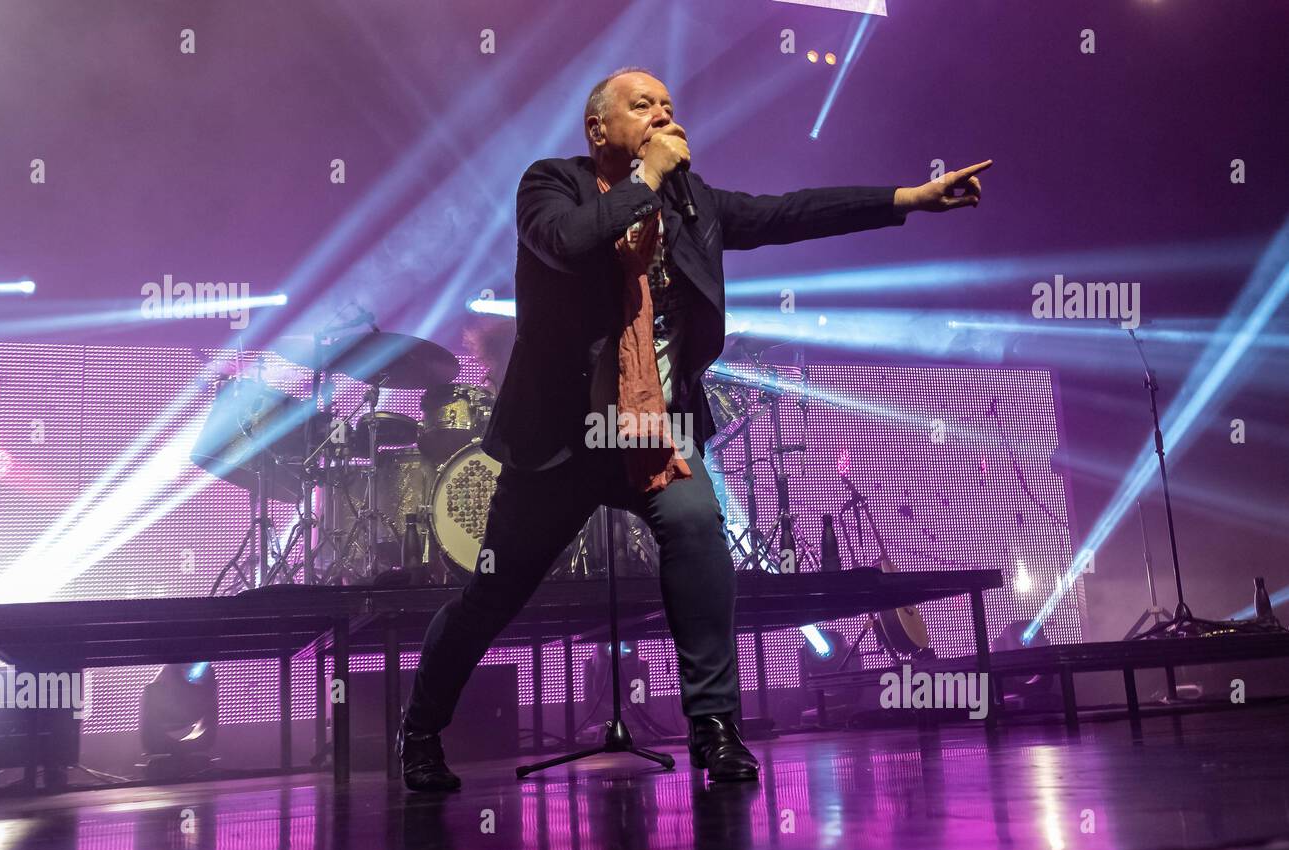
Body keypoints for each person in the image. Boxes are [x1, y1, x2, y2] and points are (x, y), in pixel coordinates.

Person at [397, 67, 991, 789]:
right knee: (493, 593)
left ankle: (714, 725)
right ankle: (421, 728)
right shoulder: (551, 184)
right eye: (640, 105)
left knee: (697, 524)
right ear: (599, 130)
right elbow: (566, 241)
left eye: (668, 107)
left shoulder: (693, 204)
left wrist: (907, 199)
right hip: (561, 437)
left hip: (648, 430)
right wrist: (645, 176)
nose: (660, 114)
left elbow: (789, 213)